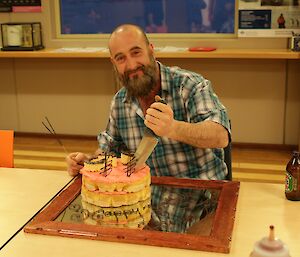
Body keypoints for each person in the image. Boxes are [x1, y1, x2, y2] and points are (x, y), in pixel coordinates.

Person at [66, 24, 231, 181]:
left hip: (202, 201)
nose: (131, 65)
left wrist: (173, 128)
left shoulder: (189, 84)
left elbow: (220, 136)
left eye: (136, 53)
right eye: (121, 58)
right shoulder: (120, 102)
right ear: (114, 63)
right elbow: (109, 151)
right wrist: (88, 162)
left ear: (151, 50)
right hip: (148, 198)